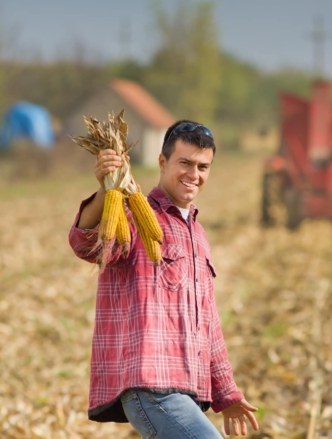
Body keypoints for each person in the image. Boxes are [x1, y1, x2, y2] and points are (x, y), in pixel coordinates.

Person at [68, 120, 259, 438]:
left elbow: (208, 322)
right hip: (152, 388)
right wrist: (107, 189)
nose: (193, 175)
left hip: (186, 390)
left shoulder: (198, 235)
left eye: (202, 166)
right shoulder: (133, 217)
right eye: (184, 163)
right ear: (162, 162)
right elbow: (86, 244)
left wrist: (227, 395)